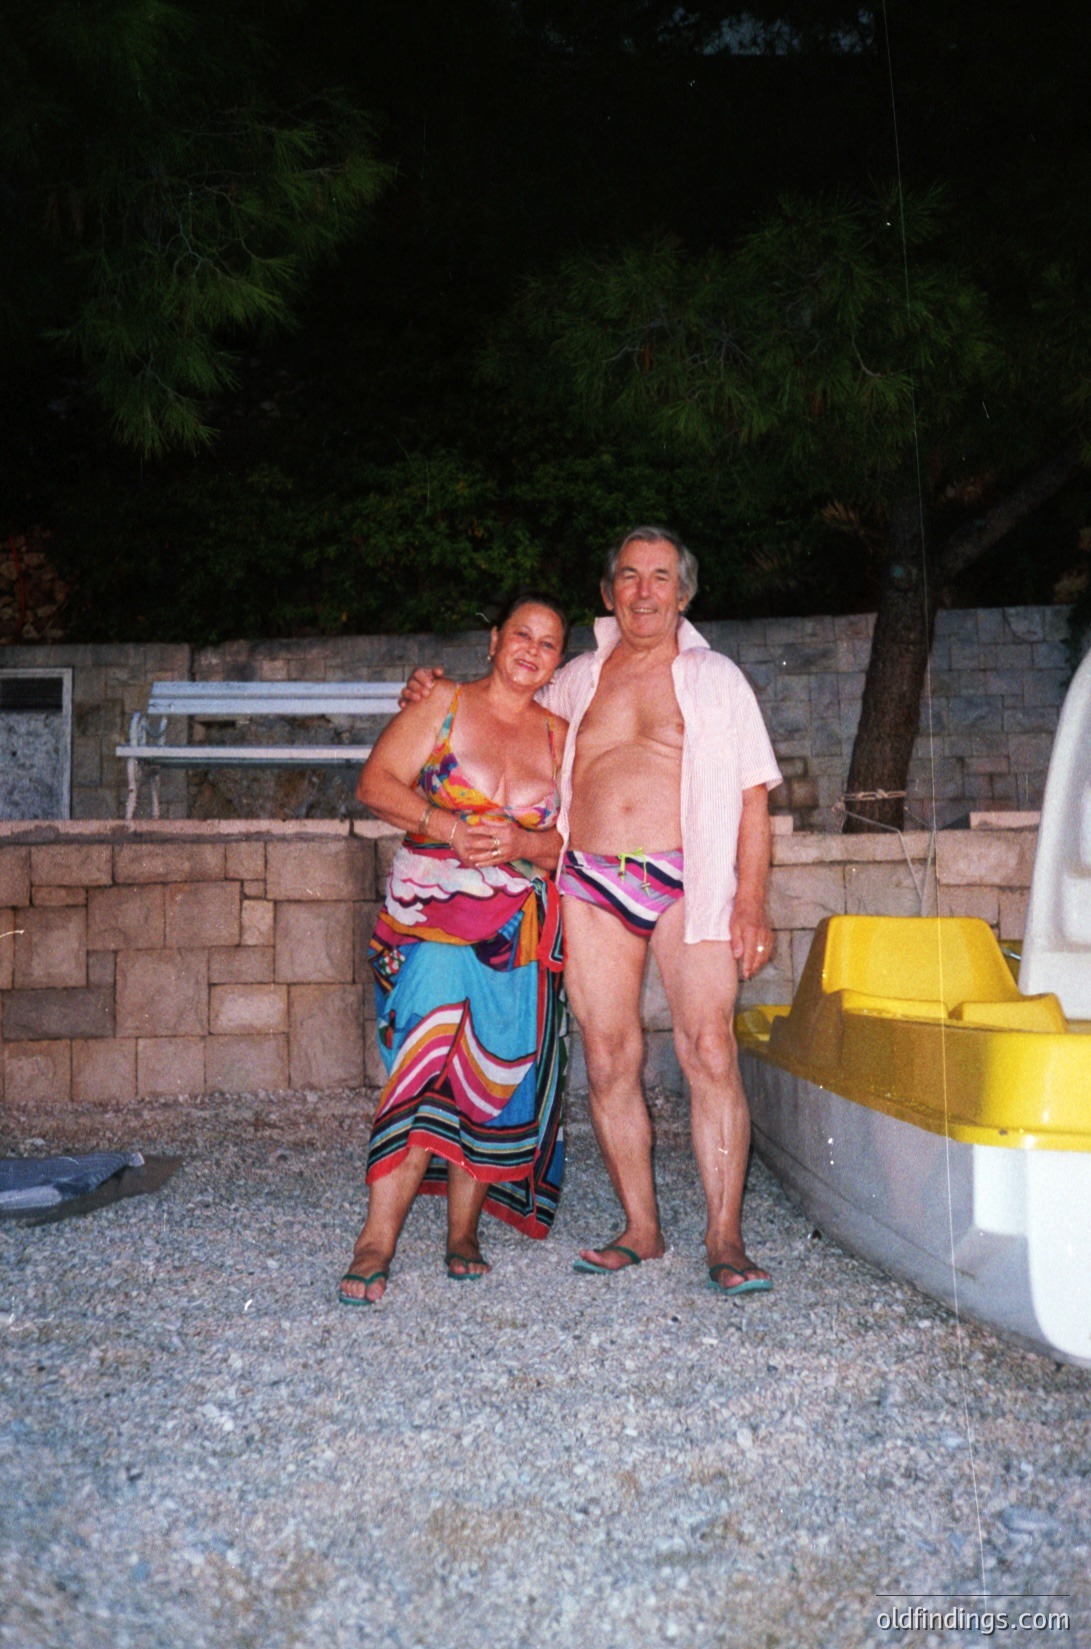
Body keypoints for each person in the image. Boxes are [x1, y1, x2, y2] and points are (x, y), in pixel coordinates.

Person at [403, 529, 781, 1296]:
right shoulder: (578, 679)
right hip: (590, 880)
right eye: (630, 577)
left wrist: (750, 901)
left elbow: (751, 796)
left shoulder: (715, 678)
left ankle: (724, 1235)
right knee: (609, 1058)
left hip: (691, 878)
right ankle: (640, 1229)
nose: (646, 590)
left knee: (707, 1048)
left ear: (684, 592)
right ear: (609, 594)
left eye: (662, 577)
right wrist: (428, 695)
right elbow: (497, 709)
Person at [338, 594, 570, 1306]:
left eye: (549, 643)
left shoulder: (563, 735)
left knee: (491, 1074)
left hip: (515, 935)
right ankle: (376, 1239)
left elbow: (576, 846)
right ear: (495, 638)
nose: (532, 650)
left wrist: (527, 842)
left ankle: (462, 1231)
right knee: (421, 1066)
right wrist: (445, 824)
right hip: (427, 921)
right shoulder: (440, 699)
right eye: (521, 634)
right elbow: (374, 784)